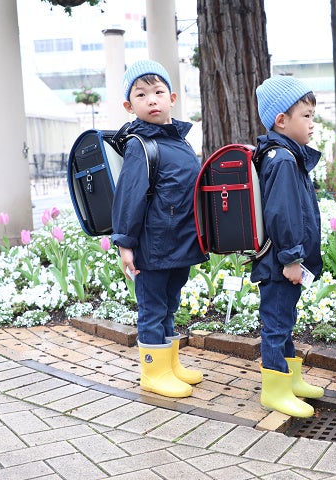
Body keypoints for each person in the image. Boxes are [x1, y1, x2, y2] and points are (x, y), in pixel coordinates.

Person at [111, 60, 207, 398]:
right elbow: (129, 196)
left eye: (158, 92)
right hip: (153, 247)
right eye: (141, 95)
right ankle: (154, 373)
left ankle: (170, 364)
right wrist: (125, 244)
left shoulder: (180, 141)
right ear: (129, 106)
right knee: (152, 308)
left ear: (172, 98)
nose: (151, 99)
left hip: (180, 242)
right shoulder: (140, 144)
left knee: (169, 304)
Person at [252, 76, 325, 418]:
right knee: (276, 324)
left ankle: (290, 379)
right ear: (281, 120)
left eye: (312, 116)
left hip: (283, 260)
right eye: (306, 116)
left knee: (285, 319)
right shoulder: (282, 159)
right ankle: (275, 390)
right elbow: (283, 215)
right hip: (279, 262)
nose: (312, 123)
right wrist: (292, 259)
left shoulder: (287, 156)